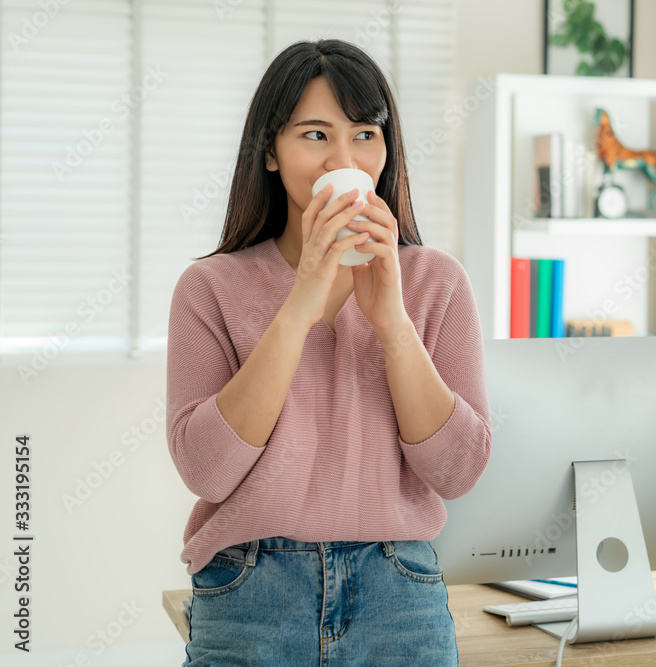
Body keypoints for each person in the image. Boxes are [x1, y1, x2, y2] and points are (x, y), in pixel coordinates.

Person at [166, 39, 491, 666]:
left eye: (365, 134)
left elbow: (458, 473)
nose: (344, 159)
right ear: (268, 151)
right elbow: (206, 471)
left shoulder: (436, 282)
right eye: (315, 135)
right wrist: (301, 302)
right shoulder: (209, 288)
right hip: (249, 594)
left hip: (399, 594)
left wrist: (392, 323)